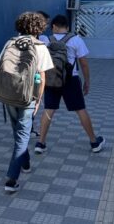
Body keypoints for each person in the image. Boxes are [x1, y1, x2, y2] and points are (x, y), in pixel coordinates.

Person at [0, 12, 54, 193]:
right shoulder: (41, 47)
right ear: (40, 28)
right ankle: (11, 179)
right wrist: (38, 100)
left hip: (7, 94)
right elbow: (42, 77)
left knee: (19, 133)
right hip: (27, 97)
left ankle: (26, 164)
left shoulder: (10, 43)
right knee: (22, 135)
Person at [35, 14, 105, 154]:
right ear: (67, 27)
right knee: (80, 109)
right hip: (70, 80)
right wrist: (87, 82)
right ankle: (94, 142)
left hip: (51, 79)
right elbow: (84, 64)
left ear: (53, 26)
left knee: (49, 109)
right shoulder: (76, 40)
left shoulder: (44, 40)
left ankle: (40, 143)